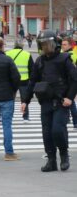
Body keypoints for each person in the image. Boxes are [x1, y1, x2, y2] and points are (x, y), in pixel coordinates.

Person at [21, 30, 77, 172]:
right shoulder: (40, 61)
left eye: (48, 44)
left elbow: (75, 79)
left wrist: (70, 97)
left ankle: (64, 155)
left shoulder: (64, 59)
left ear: (55, 44)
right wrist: (25, 101)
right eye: (43, 44)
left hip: (61, 102)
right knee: (47, 133)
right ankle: (51, 161)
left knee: (57, 130)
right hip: (45, 102)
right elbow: (32, 81)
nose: (46, 47)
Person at [6, 39, 34, 122]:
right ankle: (25, 117)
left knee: (11, 99)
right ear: (22, 45)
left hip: (11, 81)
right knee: (24, 99)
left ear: (14, 45)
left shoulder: (8, 53)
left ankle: (10, 116)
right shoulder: (27, 54)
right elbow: (31, 69)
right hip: (24, 80)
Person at [61, 37, 77, 129]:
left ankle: (73, 121)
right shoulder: (71, 54)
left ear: (70, 45)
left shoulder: (69, 55)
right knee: (69, 103)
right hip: (68, 82)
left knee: (70, 103)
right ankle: (72, 121)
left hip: (69, 83)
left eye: (65, 44)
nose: (62, 46)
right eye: (62, 44)